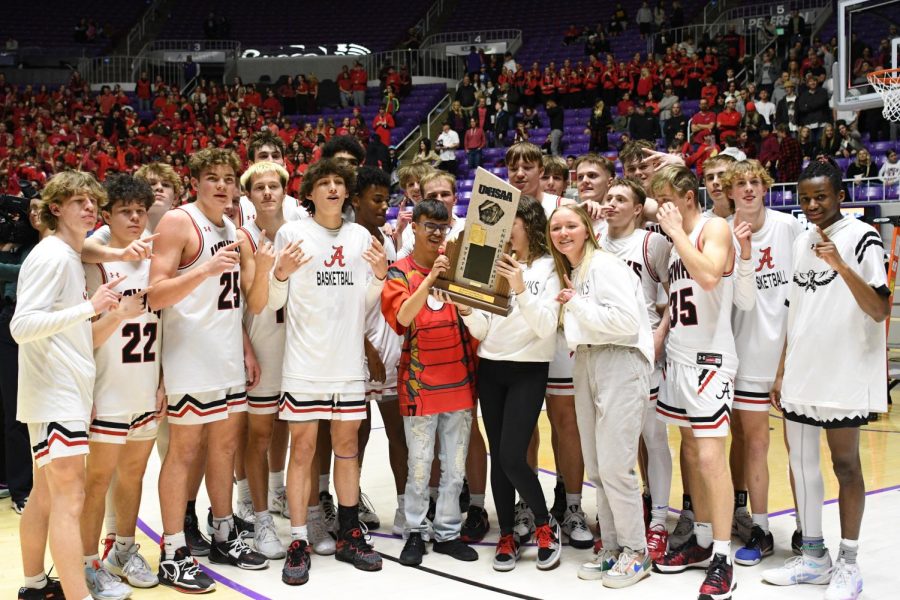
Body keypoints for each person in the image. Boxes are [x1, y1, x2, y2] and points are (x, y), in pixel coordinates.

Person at [762, 161, 890, 600]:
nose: (813, 205)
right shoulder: (800, 241)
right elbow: (791, 310)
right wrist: (780, 369)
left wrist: (840, 265)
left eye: (821, 196)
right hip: (801, 372)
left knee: (845, 465)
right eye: (805, 198)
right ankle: (814, 557)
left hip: (844, 374)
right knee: (800, 464)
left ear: (839, 195)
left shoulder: (863, 237)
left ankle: (848, 563)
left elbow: (879, 309)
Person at [149, 149, 267, 593]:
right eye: (212, 178)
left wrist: (245, 347)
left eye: (228, 178)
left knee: (225, 448)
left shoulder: (232, 227)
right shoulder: (179, 222)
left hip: (225, 355)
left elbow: (230, 300)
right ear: (194, 182)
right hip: (188, 357)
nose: (222, 185)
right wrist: (204, 269)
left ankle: (223, 533)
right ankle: (173, 550)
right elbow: (155, 294)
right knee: (184, 452)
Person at [269, 159, 386, 585]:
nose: (333, 188)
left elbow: (368, 300)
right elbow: (273, 300)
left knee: (348, 449)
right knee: (302, 450)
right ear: (311, 193)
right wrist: (279, 273)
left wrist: (378, 277)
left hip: (347, 363)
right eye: (325, 183)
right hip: (304, 364)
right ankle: (298, 539)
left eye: (339, 183)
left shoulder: (360, 237)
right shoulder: (292, 233)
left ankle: (350, 533)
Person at [13, 171, 122, 600]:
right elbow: (22, 325)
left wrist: (107, 312)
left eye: (92, 201)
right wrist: (89, 307)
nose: (89, 208)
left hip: (61, 392)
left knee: (45, 495)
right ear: (55, 208)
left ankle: (35, 586)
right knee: (68, 498)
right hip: (53, 392)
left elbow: (73, 337)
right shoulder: (53, 256)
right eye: (78, 201)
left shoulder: (68, 256)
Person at [549, 203, 655, 588]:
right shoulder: (574, 271)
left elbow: (626, 324)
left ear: (587, 229)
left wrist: (574, 303)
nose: (563, 233)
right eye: (556, 227)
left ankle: (637, 551)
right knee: (596, 467)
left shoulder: (604, 265)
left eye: (571, 225)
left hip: (620, 360)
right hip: (589, 359)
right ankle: (611, 547)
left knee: (615, 465)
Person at [457, 195, 563, 571]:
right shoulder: (494, 262)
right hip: (492, 367)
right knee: (499, 460)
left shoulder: (551, 267)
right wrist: (468, 309)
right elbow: (484, 328)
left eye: (511, 225)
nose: (505, 233)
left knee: (511, 455)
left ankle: (544, 522)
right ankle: (507, 532)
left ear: (529, 225)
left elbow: (546, 326)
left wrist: (519, 286)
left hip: (529, 369)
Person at [651, 166, 738, 600]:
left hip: (711, 361)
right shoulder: (673, 239)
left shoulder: (714, 227)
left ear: (687, 196)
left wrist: (674, 232)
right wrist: (663, 330)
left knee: (709, 457)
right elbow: (681, 294)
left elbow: (708, 275)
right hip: (679, 358)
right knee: (689, 451)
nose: (661, 206)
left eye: (666, 198)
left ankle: (724, 556)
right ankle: (703, 540)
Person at [381, 199, 479, 566]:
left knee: (454, 468)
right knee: (419, 466)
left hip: (459, 382)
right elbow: (403, 318)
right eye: (428, 226)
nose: (436, 233)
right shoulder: (399, 272)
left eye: (442, 227)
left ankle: (449, 533)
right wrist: (433, 279)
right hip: (418, 386)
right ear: (414, 228)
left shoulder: (461, 269)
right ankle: (415, 533)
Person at [79, 174, 162, 598]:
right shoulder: (94, 258)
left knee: (133, 474)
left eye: (140, 210)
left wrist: (163, 381)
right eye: (125, 211)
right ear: (106, 215)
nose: (134, 217)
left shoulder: (155, 254)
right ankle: (87, 563)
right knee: (98, 480)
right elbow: (84, 332)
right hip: (107, 386)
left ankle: (124, 550)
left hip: (145, 382)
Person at [720, 160, 803, 568]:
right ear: (729, 192)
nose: (749, 189)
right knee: (754, 444)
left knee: (799, 448)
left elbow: (803, 292)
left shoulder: (789, 228)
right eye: (741, 184)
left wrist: (788, 361)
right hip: (744, 354)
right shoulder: (721, 234)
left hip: (790, 352)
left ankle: (808, 529)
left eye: (755, 182)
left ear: (766, 188)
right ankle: (761, 528)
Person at [599, 177, 674, 562]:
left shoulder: (652, 243)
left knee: (653, 439)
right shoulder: (594, 238)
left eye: (620, 199)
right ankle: (619, 522)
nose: (610, 203)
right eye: (608, 198)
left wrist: (660, 334)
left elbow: (674, 295)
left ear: (636, 207)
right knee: (613, 447)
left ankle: (659, 521)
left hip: (644, 354)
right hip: (603, 354)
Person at [234, 161, 293, 560]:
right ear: (250, 196)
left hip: (298, 344)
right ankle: (260, 517)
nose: (268, 193)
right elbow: (237, 303)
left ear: (285, 191)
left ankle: (279, 493)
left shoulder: (297, 233)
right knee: (258, 434)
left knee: (290, 427)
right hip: (262, 340)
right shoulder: (242, 237)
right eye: (260, 188)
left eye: (274, 186)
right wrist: (246, 349)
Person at [350, 167, 408, 537]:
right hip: (357, 350)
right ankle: (349, 505)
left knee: (397, 433)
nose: (384, 207)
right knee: (356, 436)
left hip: (389, 348)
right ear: (355, 200)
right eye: (376, 199)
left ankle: (406, 507)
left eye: (387, 200)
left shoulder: (384, 242)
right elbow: (342, 304)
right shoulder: (348, 241)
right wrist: (365, 345)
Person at [0, 194, 45, 519]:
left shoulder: (71, 245)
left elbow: (24, 273)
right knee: (14, 412)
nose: (37, 213)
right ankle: (21, 488)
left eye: (43, 206)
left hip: (50, 332)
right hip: (12, 328)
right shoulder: (23, 246)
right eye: (32, 209)